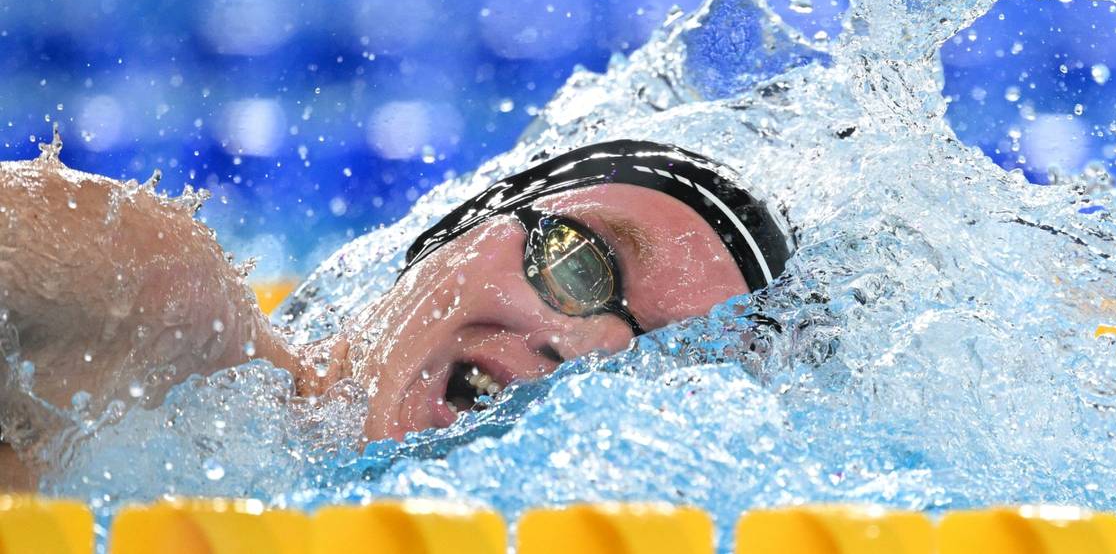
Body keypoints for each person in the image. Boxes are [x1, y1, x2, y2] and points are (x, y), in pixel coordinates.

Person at [0, 138, 793, 489]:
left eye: (655, 364)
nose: (584, 348)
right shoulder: (153, 300)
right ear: (455, 232)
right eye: (582, 262)